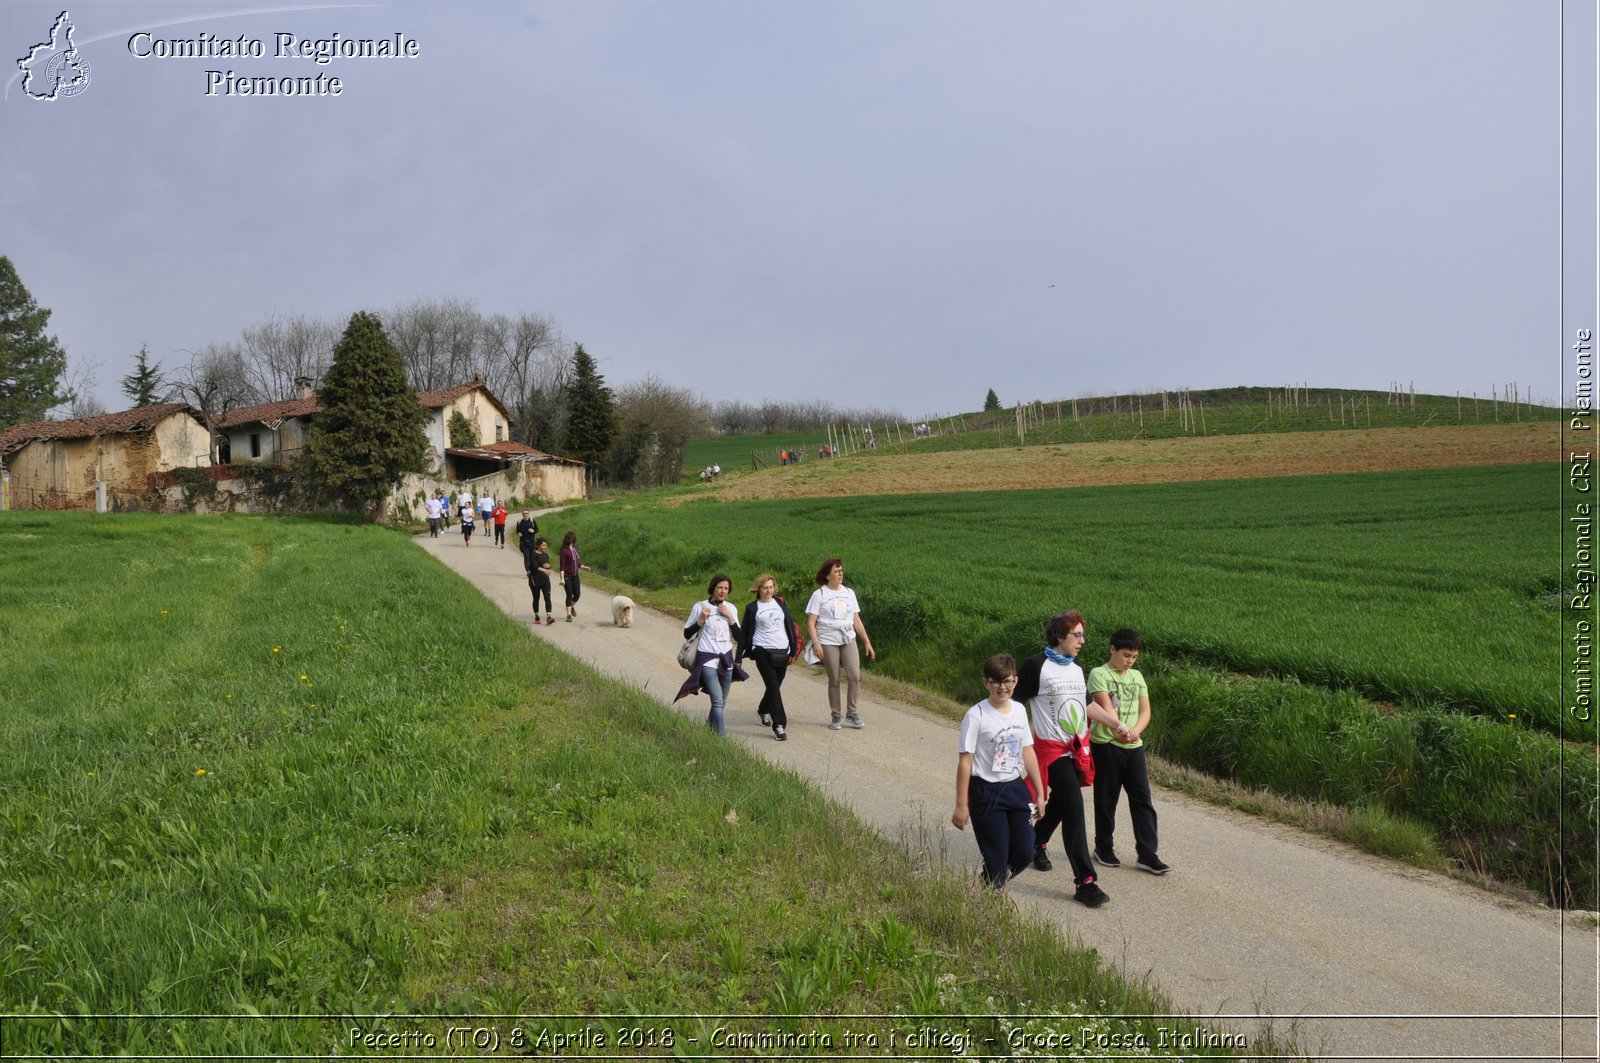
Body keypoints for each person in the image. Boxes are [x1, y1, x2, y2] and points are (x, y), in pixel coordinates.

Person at [1015, 611, 1131, 908]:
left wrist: (1116, 724)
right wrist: (1018, 738)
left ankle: (1036, 840)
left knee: (1063, 803)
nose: (1083, 640)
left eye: (1082, 634)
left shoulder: (1075, 666)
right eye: (1077, 634)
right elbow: (1013, 704)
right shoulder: (1035, 666)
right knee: (1075, 809)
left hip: (1076, 748)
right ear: (1059, 636)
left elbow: (1087, 706)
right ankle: (1086, 883)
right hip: (1050, 750)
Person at [952, 653, 1045, 889]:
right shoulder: (976, 716)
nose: (1002, 687)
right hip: (986, 792)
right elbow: (965, 762)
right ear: (986, 683)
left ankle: (992, 881)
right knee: (996, 856)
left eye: (1007, 681)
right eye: (996, 682)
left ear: (1015, 681)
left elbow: (1028, 752)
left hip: (1015, 787)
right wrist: (962, 805)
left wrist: (1040, 792)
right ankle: (991, 893)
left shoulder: (1019, 711)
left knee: (1025, 853)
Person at [1087, 627, 1170, 875]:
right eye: (1126, 655)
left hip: (1134, 746)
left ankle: (1147, 854)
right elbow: (1104, 705)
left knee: (1142, 799)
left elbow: (1146, 711)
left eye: (1134, 657)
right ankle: (1103, 848)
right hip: (1107, 744)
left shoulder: (1137, 677)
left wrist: (1135, 731)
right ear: (1112, 649)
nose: (1130, 661)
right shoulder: (1098, 674)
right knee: (1106, 798)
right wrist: (1120, 729)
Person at [805, 557, 875, 730]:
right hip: (828, 640)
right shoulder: (819, 594)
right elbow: (811, 622)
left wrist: (866, 641)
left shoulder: (848, 593)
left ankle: (852, 712)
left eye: (841, 571)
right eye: (836, 571)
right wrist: (816, 643)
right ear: (827, 576)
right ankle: (836, 716)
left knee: (854, 676)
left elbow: (856, 620)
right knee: (834, 679)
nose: (840, 574)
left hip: (847, 638)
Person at [676, 573, 744, 735]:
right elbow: (687, 633)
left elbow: (740, 637)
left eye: (726, 588)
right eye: (720, 587)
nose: (722, 591)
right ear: (713, 588)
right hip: (707, 660)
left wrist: (730, 618)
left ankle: (708, 728)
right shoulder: (700, 607)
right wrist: (700, 621)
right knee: (717, 701)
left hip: (726, 660)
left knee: (722, 702)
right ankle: (722, 739)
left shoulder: (731, 608)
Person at [737, 573, 797, 741]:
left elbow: (789, 625)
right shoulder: (752, 608)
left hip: (781, 650)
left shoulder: (781, 604)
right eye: (765, 588)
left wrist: (793, 649)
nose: (768, 590)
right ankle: (779, 725)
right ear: (759, 589)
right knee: (772, 685)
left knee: (775, 686)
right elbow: (744, 634)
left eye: (771, 587)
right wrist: (738, 657)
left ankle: (763, 709)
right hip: (761, 650)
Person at [558, 531, 590, 621]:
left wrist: (584, 567)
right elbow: (562, 566)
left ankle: (571, 606)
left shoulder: (574, 549)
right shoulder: (564, 551)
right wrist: (562, 578)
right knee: (569, 594)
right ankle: (568, 615)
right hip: (567, 576)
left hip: (575, 575)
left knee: (577, 594)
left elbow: (576, 562)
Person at [527, 537, 554, 625]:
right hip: (535, 580)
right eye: (543, 545)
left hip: (545, 580)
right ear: (538, 546)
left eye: (546, 545)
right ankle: (537, 616)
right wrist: (545, 570)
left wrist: (548, 566)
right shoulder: (533, 554)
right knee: (536, 599)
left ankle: (548, 617)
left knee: (547, 598)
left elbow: (547, 565)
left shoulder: (546, 555)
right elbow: (535, 567)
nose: (545, 547)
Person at [515, 509, 540, 573]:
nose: (525, 515)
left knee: (531, 557)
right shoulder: (519, 521)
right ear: (522, 514)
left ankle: (532, 569)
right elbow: (517, 531)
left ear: (528, 514)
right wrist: (518, 533)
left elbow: (537, 529)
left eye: (526, 513)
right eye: (524, 513)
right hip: (523, 542)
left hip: (531, 542)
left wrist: (533, 531)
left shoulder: (532, 521)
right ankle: (528, 570)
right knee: (526, 556)